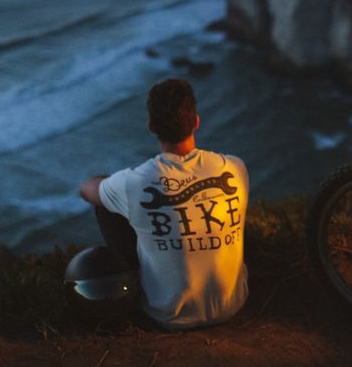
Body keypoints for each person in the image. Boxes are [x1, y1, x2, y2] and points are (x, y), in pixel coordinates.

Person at [79, 78, 248, 330]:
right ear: (196, 121)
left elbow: (86, 189)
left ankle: (134, 285)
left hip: (168, 317)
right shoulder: (234, 168)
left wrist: (110, 184)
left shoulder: (135, 181)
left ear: (151, 126)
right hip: (231, 306)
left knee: (106, 204)